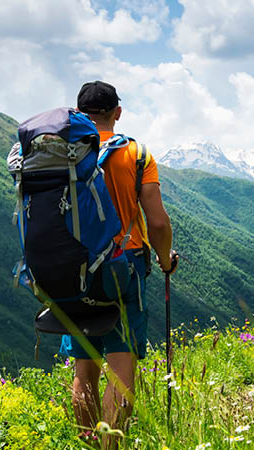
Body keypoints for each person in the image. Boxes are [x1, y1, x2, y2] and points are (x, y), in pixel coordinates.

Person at [60, 80, 178, 448]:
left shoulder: (63, 153)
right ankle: (111, 446)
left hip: (72, 271)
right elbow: (157, 222)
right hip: (122, 264)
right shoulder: (137, 154)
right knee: (121, 366)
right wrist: (164, 259)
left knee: (85, 366)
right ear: (118, 112)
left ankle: (88, 444)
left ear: (79, 113)